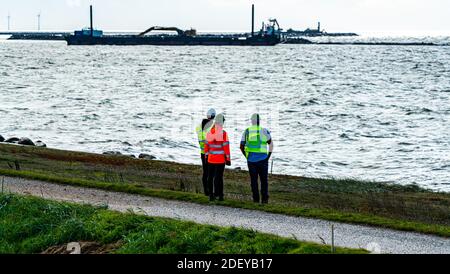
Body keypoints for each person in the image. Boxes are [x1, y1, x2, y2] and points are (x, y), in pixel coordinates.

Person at [240, 114, 273, 204]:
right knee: (264, 180)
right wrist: (268, 157)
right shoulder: (264, 131)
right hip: (263, 160)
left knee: (253, 180)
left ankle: (255, 199)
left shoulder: (247, 131)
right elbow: (270, 144)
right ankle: (265, 200)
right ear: (259, 121)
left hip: (251, 160)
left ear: (252, 121)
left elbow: (241, 146)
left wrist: (246, 156)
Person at [204, 113, 231, 202]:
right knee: (219, 178)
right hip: (220, 160)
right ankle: (220, 195)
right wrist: (228, 159)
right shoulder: (223, 133)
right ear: (222, 122)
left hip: (211, 159)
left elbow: (206, 146)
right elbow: (226, 148)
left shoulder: (210, 132)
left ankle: (211, 196)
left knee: (210, 177)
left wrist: (206, 156)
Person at [196, 109, 216, 196]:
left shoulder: (198, 127)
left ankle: (206, 191)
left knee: (205, 172)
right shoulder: (212, 127)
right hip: (211, 153)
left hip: (203, 152)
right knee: (212, 173)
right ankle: (211, 191)